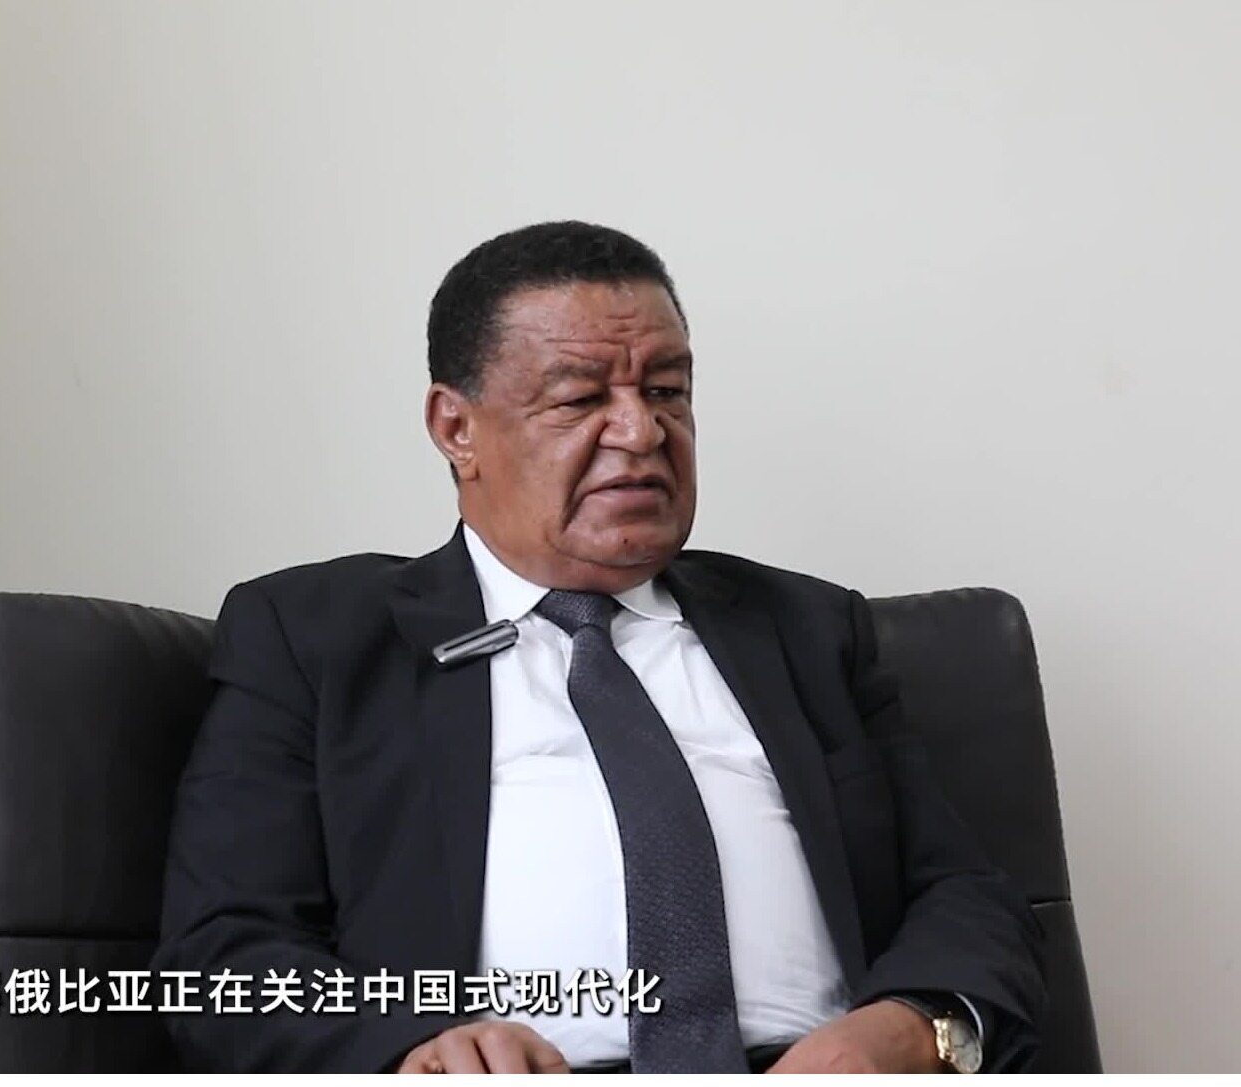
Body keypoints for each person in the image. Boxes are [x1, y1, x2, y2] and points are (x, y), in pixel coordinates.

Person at [151, 221, 1045, 1073]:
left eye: (666, 391)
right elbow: (223, 951)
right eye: (581, 398)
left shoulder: (805, 629)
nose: (641, 432)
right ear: (457, 428)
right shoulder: (316, 636)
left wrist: (910, 1028)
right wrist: (410, 1050)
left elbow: (966, 894)